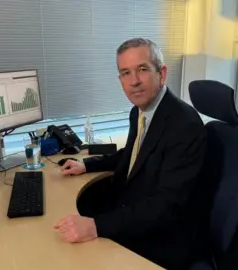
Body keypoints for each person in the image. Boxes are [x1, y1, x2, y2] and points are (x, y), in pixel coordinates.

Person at [53, 38, 208, 269]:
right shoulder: (141, 111)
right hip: (135, 210)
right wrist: (87, 165)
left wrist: (97, 226)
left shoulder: (184, 125)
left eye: (142, 70)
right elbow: (134, 153)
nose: (134, 81)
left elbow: (167, 206)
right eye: (125, 73)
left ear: (162, 73)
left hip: (163, 235)